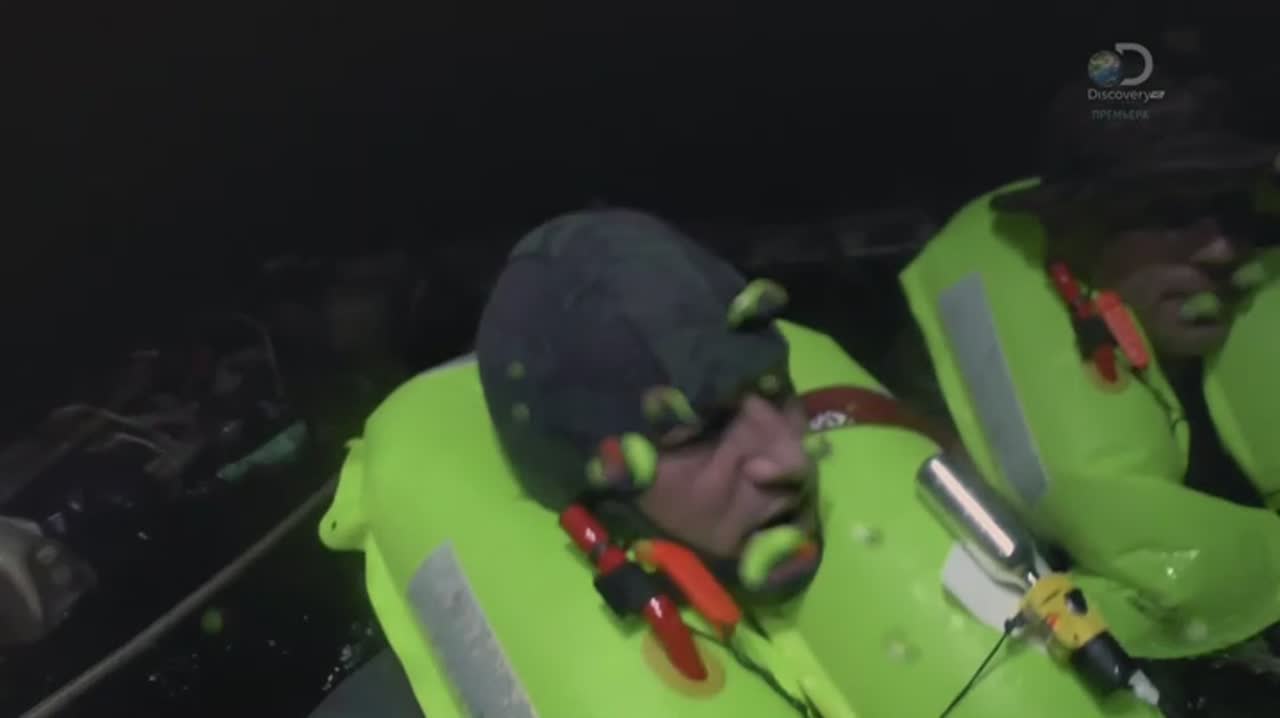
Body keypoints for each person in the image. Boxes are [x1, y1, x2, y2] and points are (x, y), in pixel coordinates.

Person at [310, 209, 1164, 718]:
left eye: (777, 394)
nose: (788, 457)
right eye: (700, 434)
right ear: (583, 489)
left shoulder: (971, 554)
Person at [899, 68, 1280, 667]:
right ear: (1072, 236)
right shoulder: (951, 445)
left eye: (1236, 214)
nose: (1222, 250)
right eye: (1170, 215)